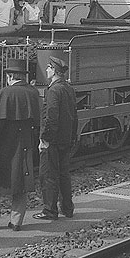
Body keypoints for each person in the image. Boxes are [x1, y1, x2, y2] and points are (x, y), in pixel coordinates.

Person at [0, 58, 40, 232]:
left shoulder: (6, 93)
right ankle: (16, 222)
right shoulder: (33, 92)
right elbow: (37, 120)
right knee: (21, 181)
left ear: (10, 76)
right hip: (25, 143)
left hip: (5, 145)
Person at [34, 57, 78, 220]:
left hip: (52, 140)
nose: (46, 70)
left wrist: (45, 139)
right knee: (64, 174)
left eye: (48, 68)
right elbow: (74, 115)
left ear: (54, 70)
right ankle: (67, 208)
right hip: (65, 139)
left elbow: (51, 117)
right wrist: (73, 137)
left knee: (48, 174)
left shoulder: (53, 91)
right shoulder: (68, 88)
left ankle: (50, 210)